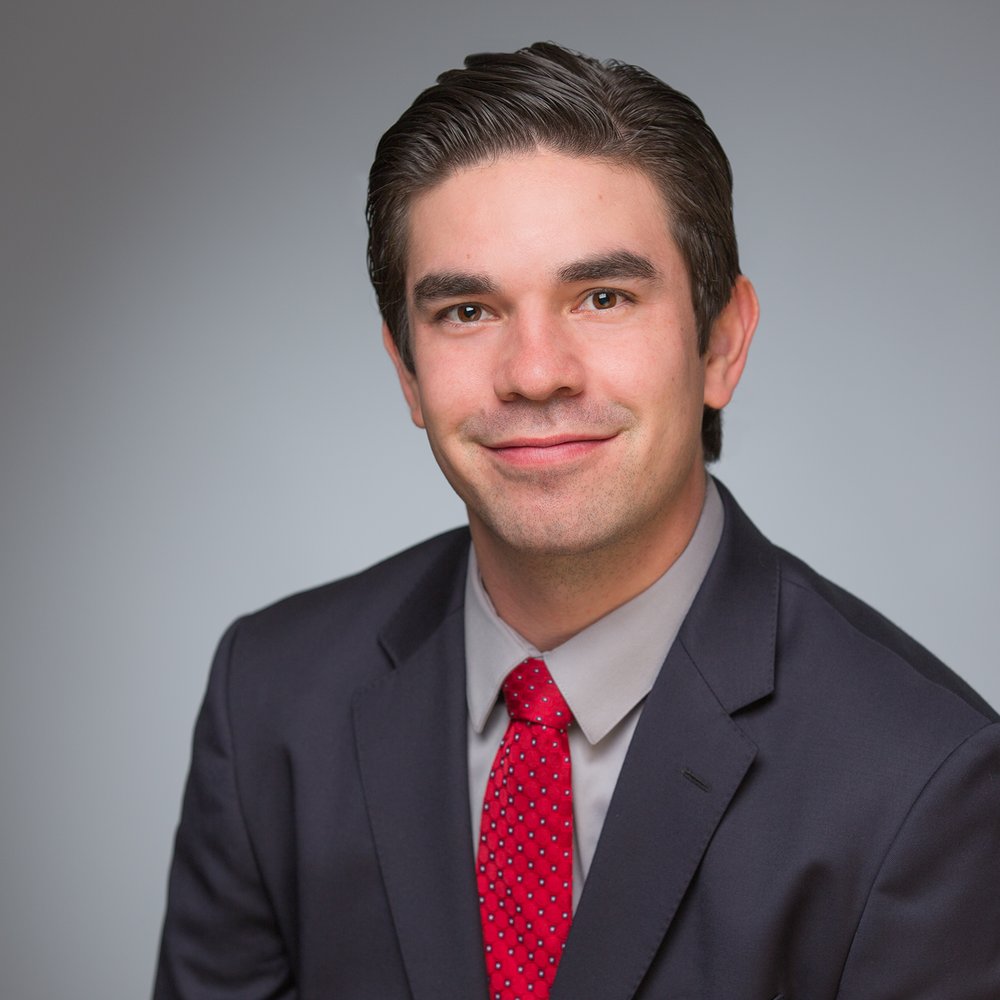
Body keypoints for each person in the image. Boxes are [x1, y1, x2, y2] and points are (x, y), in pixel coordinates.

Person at [154, 42, 1000, 1000]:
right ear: (406, 372)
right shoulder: (269, 701)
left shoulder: (924, 781)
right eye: (467, 311)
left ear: (721, 344)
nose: (535, 372)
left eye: (603, 298)